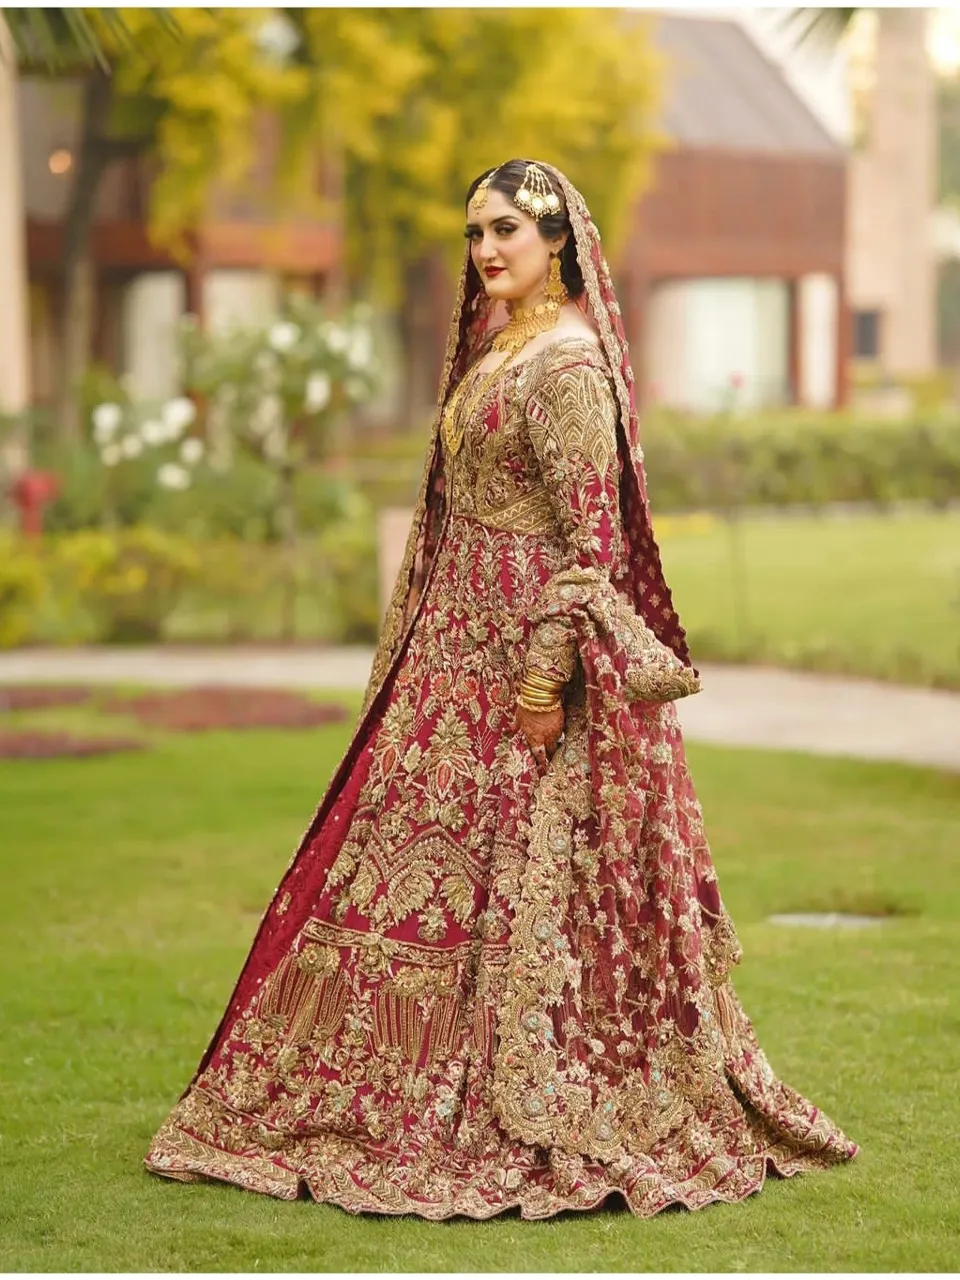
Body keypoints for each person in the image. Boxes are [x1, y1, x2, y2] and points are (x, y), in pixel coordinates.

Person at [145, 160, 858, 1219]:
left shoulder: (567, 364)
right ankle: (374, 1089)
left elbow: (591, 545)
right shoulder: (500, 347)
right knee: (391, 879)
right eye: (475, 230)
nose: (486, 249)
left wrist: (543, 678)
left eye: (509, 230)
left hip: (525, 673)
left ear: (559, 240)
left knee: (526, 894)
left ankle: (521, 1093)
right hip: (449, 665)